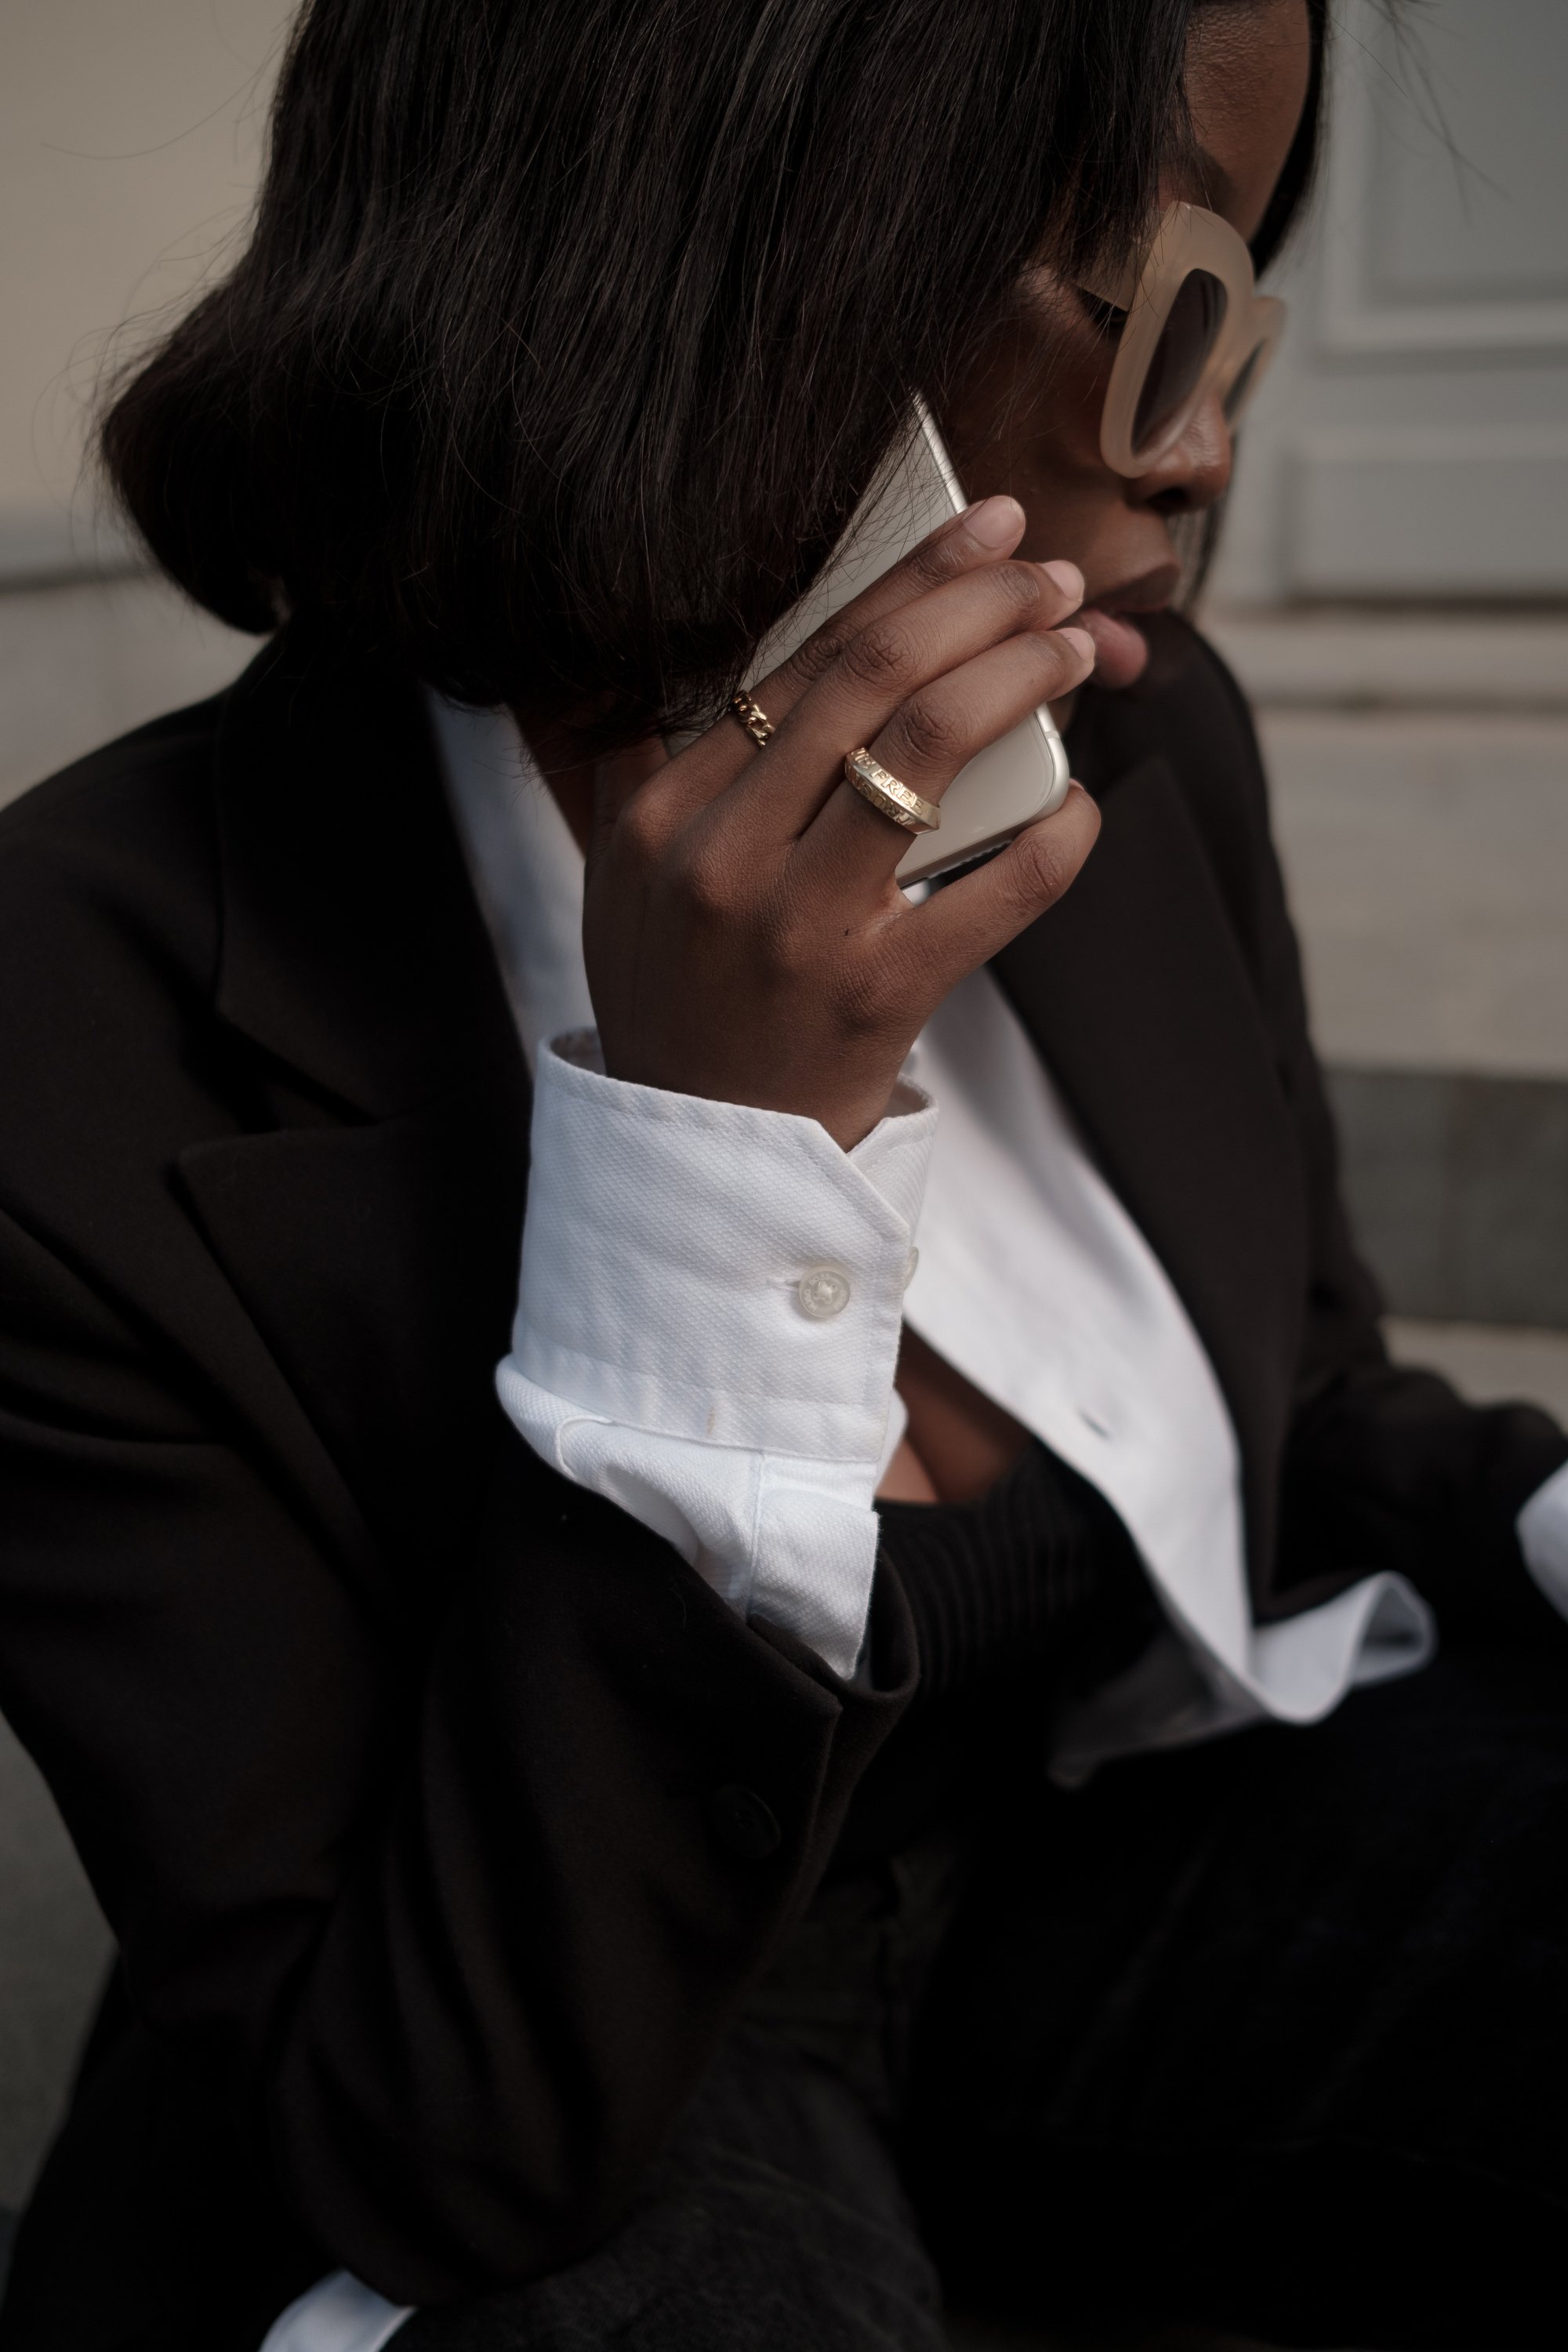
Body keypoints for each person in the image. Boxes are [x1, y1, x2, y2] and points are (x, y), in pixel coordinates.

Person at [1, 1, 1565, 2347]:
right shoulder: (78, 1013)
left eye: (1246, 299)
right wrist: (712, 1163)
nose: (1210, 439)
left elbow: (1305, 1415)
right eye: (1159, 293)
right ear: (717, 225)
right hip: (578, 2078)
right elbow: (453, 2130)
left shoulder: (1139, 761)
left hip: (1100, 1892)